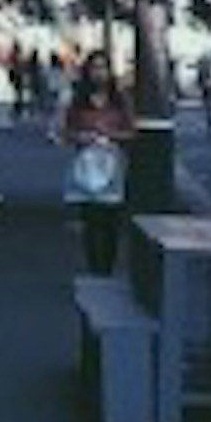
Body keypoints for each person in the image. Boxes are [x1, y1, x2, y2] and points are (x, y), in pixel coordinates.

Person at [57, 55, 136, 275]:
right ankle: (95, 266)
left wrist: (112, 134)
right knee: (91, 219)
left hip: (113, 162)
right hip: (87, 163)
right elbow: (65, 132)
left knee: (111, 219)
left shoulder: (119, 99)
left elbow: (132, 131)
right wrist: (81, 137)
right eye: (94, 68)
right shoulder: (78, 99)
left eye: (103, 68)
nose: (99, 73)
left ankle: (107, 266)